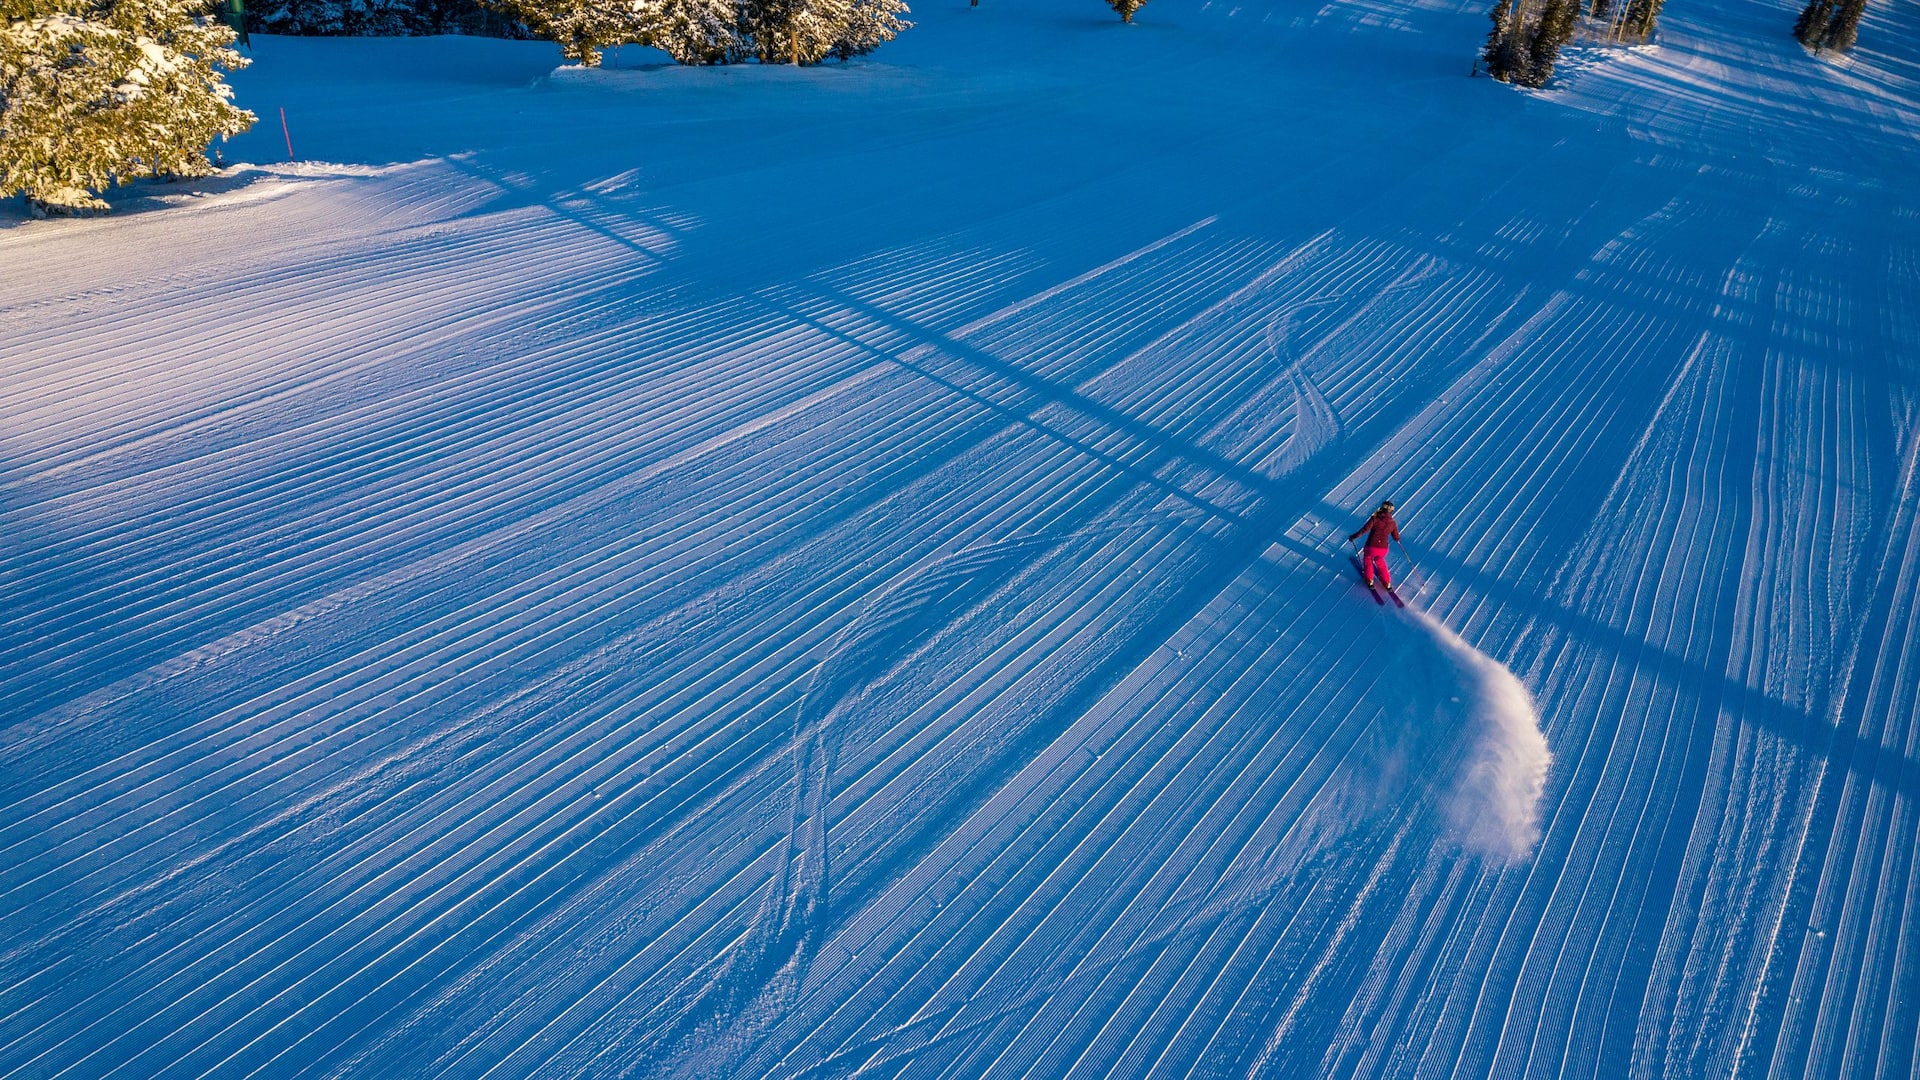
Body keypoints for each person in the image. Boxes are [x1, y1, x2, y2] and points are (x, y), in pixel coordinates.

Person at [1348, 501, 1401, 589]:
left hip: (1371, 546)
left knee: (1368, 559)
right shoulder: (1393, 523)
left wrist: (1354, 536)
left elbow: (1365, 529)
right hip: (1383, 549)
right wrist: (1397, 540)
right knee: (1380, 560)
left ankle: (1369, 579)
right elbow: (1396, 536)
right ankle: (1387, 582)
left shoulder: (1375, 519)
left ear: (1381, 508)